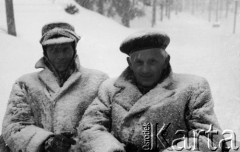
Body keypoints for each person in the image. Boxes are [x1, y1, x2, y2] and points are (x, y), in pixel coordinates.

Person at [78, 30, 225, 152]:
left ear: (166, 61)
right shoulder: (110, 88)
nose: (145, 69)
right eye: (139, 62)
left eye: (153, 61)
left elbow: (210, 137)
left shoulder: (194, 87)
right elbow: (90, 127)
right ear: (130, 63)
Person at [1, 22, 108, 152]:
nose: (60, 56)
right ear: (45, 52)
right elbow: (14, 127)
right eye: (54, 50)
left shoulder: (98, 80)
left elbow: (105, 126)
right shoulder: (25, 84)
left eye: (65, 49)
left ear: (74, 49)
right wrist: (46, 141)